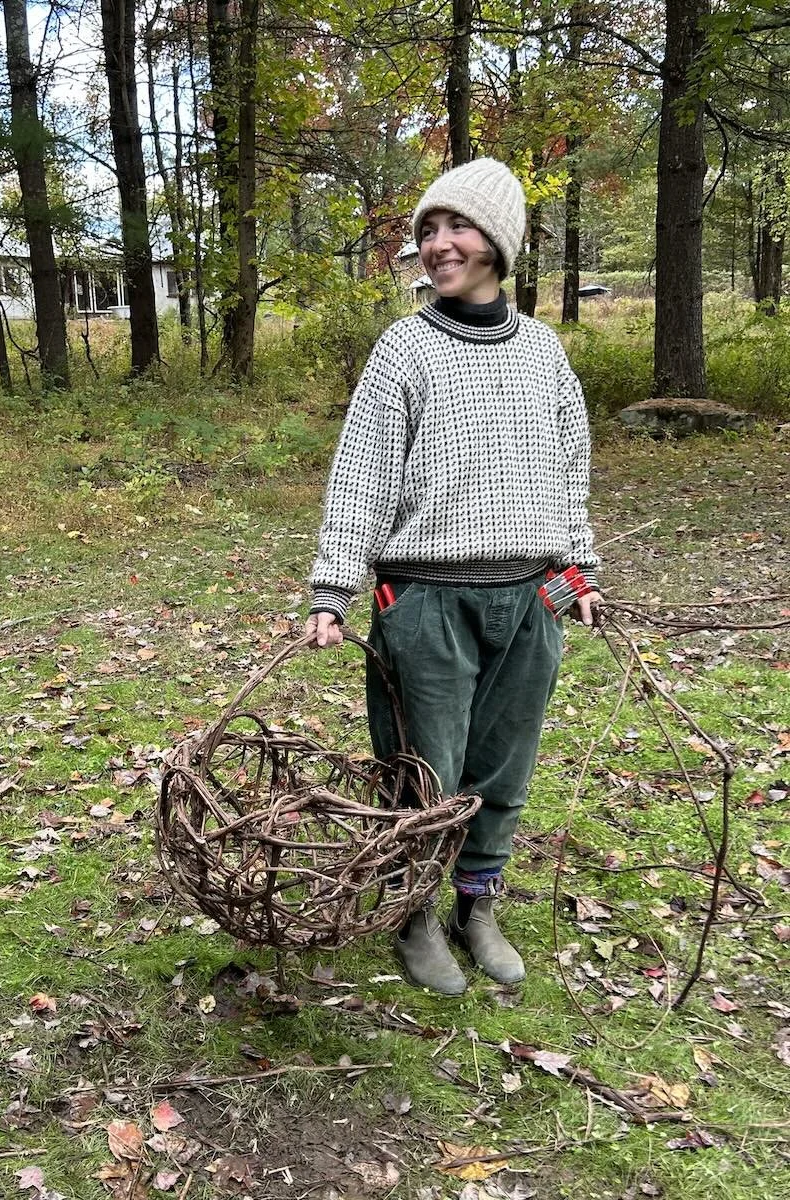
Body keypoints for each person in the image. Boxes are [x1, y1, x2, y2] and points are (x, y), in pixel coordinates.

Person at [304, 157, 601, 995]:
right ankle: (414, 913)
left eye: (456, 227)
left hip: (531, 596)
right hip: (424, 599)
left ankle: (477, 904)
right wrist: (334, 588)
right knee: (422, 770)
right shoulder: (405, 347)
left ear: (499, 243)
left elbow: (570, 467)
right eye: (428, 231)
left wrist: (578, 570)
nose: (437, 245)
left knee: (502, 765)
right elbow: (360, 474)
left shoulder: (543, 351)